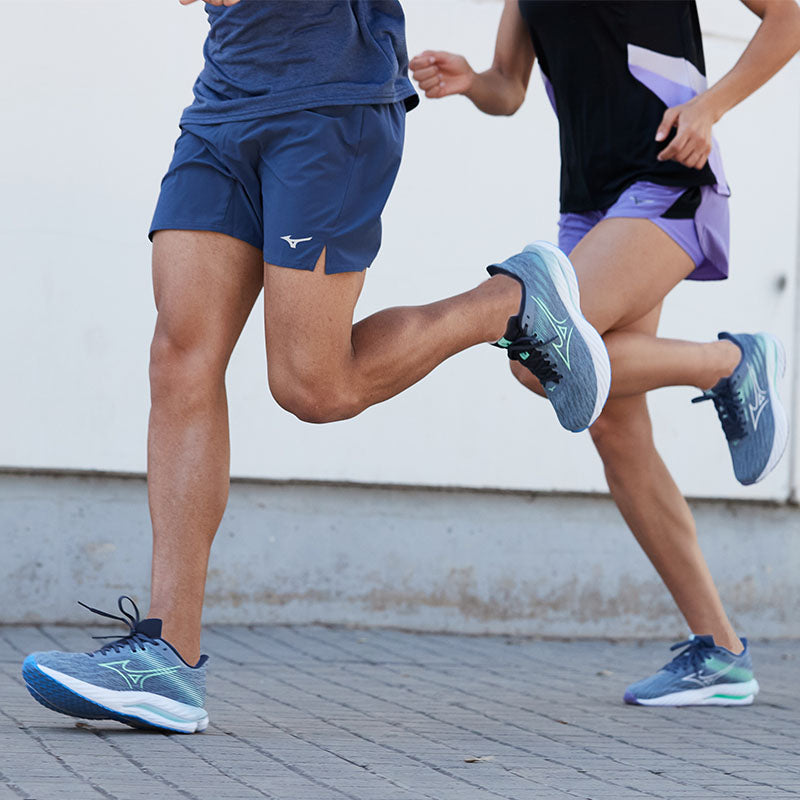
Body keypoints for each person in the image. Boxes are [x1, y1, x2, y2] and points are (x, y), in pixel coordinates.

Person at [20, 0, 613, 733]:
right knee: (179, 357)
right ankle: (167, 657)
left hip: (332, 97)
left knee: (312, 385)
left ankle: (510, 301)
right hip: (227, 96)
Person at [411, 0, 800, 707]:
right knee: (616, 429)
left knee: (539, 354)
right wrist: (471, 81)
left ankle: (729, 364)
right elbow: (511, 85)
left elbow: (789, 18)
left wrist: (711, 107)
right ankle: (720, 651)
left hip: (666, 179)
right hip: (591, 205)